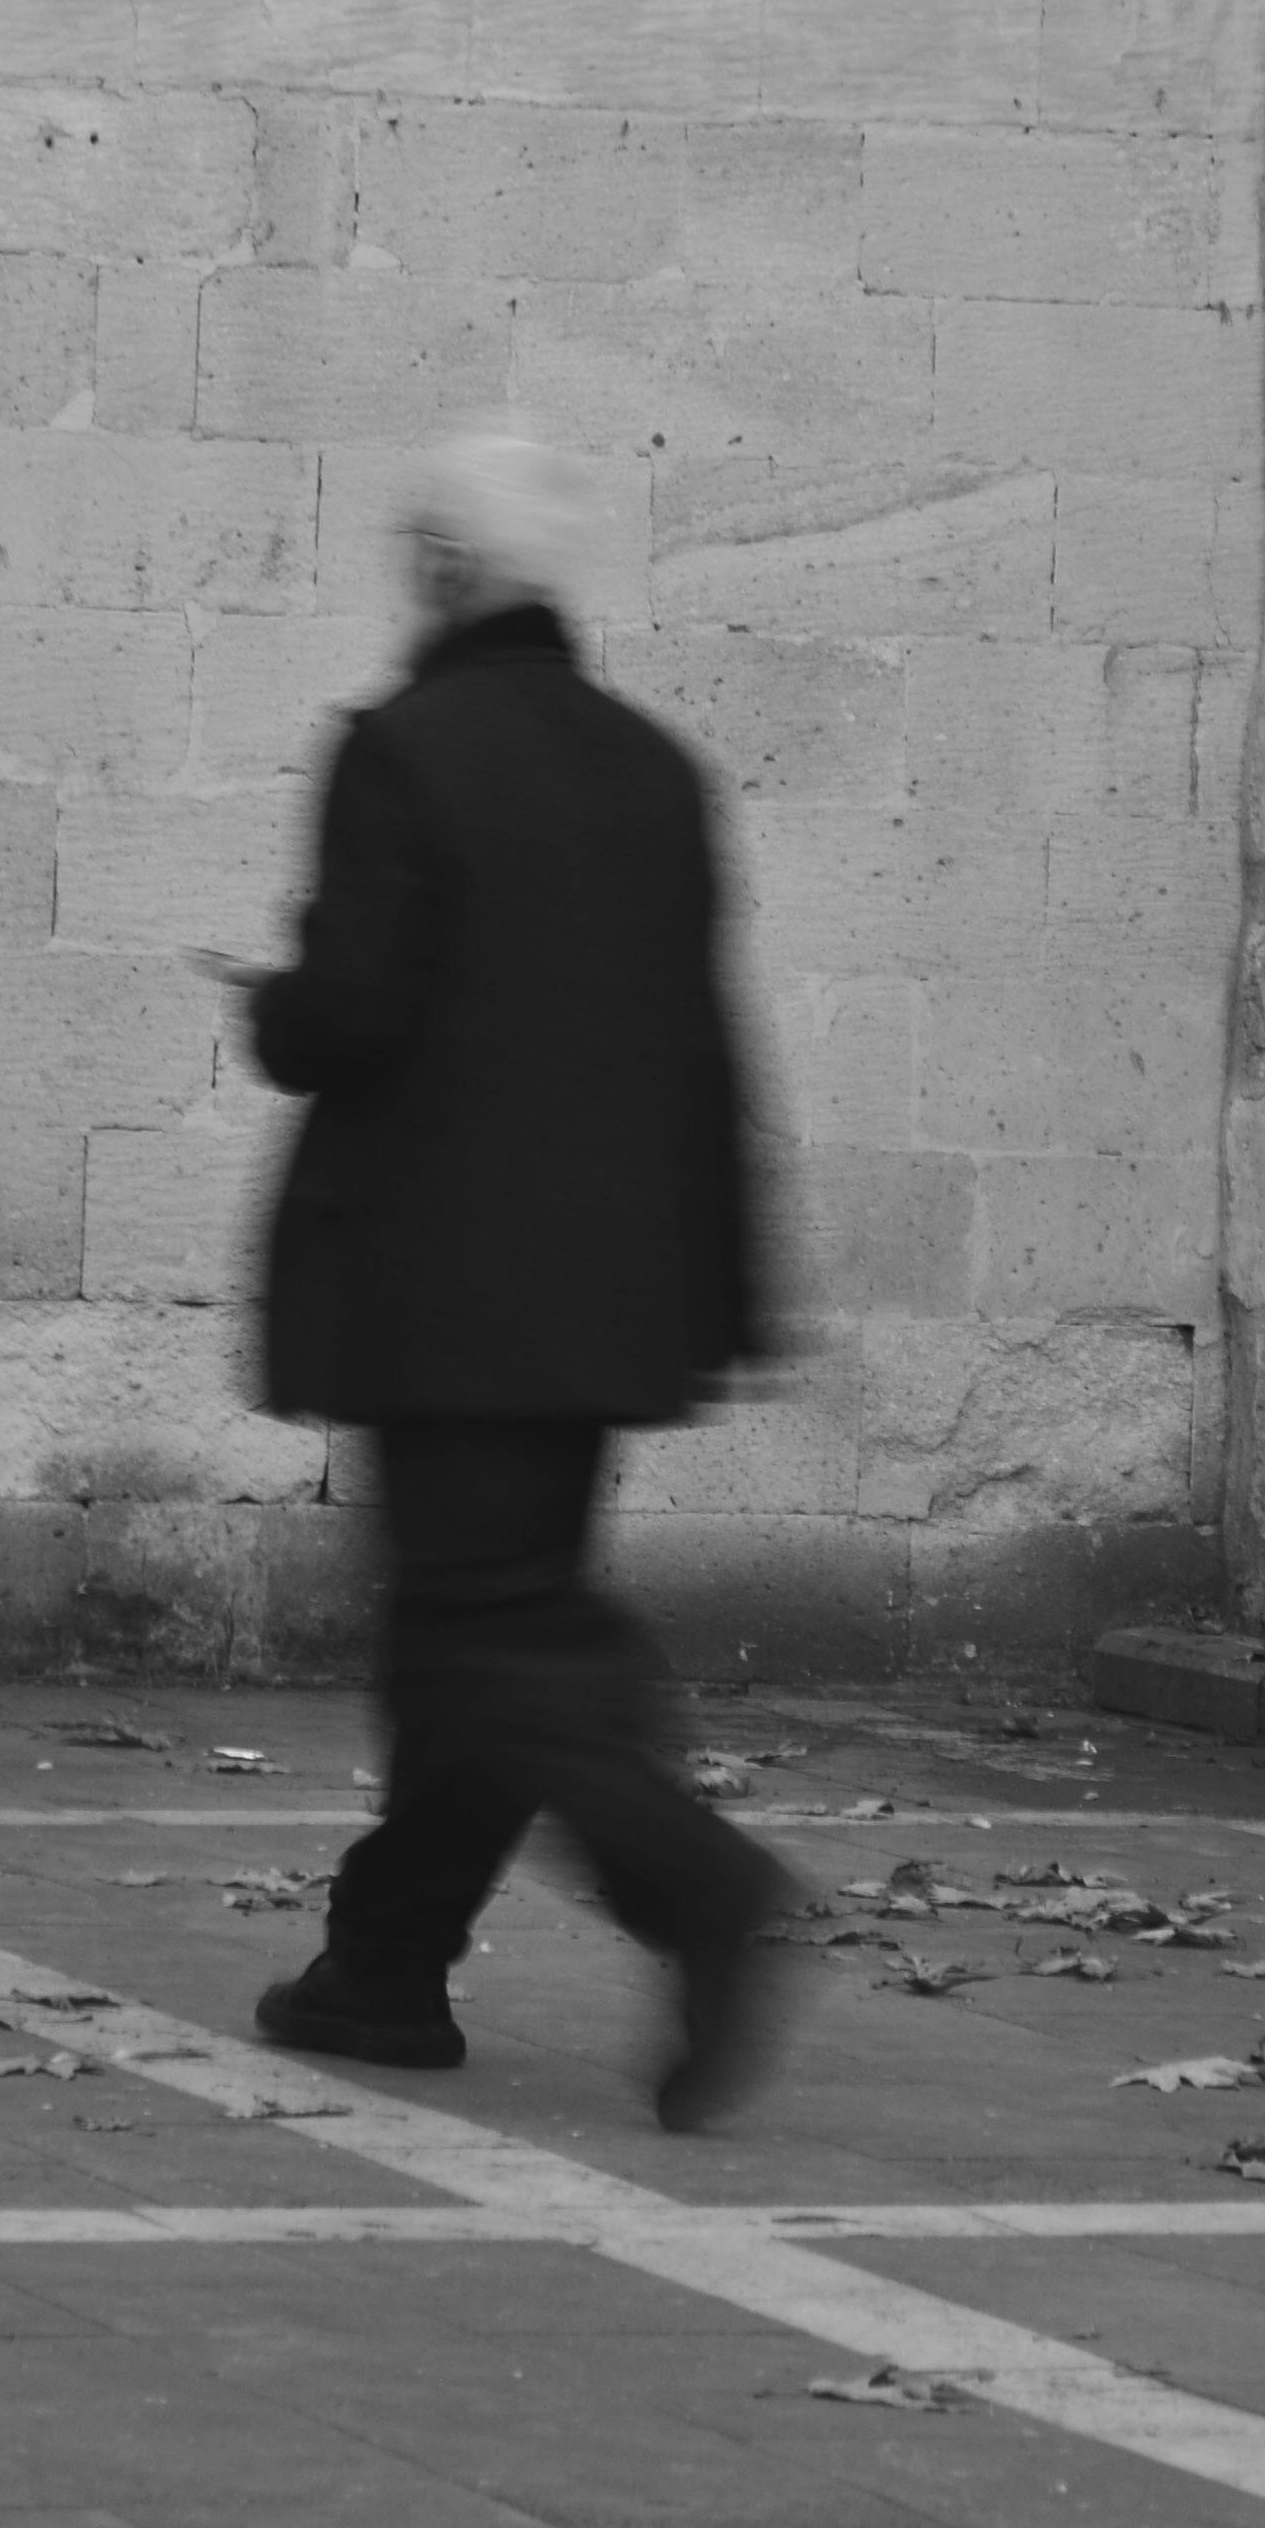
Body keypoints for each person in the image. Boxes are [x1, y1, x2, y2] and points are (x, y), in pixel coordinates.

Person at [233, 435, 789, 2131]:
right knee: (472, 1633)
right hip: (610, 1299)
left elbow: (351, 1009)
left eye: (424, 549)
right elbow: (704, 1047)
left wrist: (274, 1004)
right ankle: (384, 1966)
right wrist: (724, 1293)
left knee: (491, 1634)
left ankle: (695, 1881)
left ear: (455, 570)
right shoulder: (657, 769)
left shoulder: (404, 751)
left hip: (444, 1294)